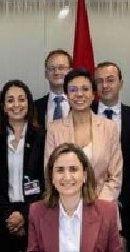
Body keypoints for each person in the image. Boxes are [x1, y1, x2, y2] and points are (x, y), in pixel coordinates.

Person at [26, 142, 126, 252]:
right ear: (51, 177)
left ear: (84, 175)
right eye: (60, 170)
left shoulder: (107, 211)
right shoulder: (37, 211)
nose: (67, 177)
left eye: (73, 169)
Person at [0, 80, 45, 252]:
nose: (16, 105)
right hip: (2, 218)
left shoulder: (42, 137)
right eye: (10, 100)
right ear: (3, 106)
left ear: (29, 104)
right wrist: (8, 216)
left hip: (34, 216)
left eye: (21, 99)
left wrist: (24, 215)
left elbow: (45, 182)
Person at [92, 61, 130, 252]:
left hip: (125, 206)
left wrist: (119, 199)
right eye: (100, 81)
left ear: (121, 83)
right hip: (90, 205)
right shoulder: (84, 113)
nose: (105, 85)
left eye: (110, 80)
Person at [44, 68, 123, 204]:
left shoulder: (109, 128)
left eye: (85, 89)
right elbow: (50, 172)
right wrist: (71, 205)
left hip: (102, 206)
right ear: (66, 95)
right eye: (73, 90)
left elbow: (115, 176)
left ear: (93, 94)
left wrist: (96, 206)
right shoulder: (54, 129)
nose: (79, 94)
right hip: (65, 206)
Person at [33, 49, 72, 127]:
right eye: (51, 68)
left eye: (61, 68)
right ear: (46, 74)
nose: (56, 72)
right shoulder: (34, 107)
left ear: (70, 71)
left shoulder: (83, 104)